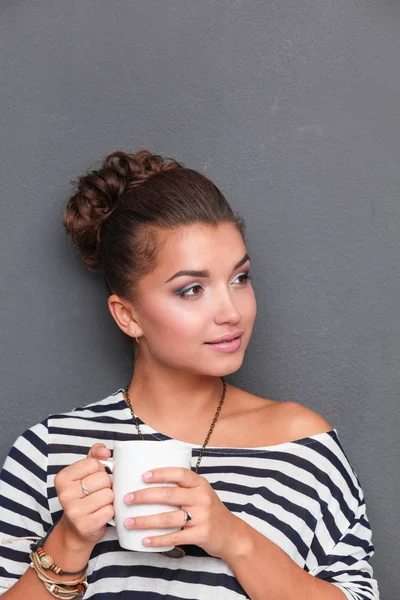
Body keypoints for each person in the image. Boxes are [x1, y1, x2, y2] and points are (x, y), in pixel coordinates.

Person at [0, 150, 379, 599]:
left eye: (240, 278)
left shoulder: (301, 447)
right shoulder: (50, 452)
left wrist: (233, 538)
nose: (231, 312)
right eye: (192, 289)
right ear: (128, 316)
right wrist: (70, 541)